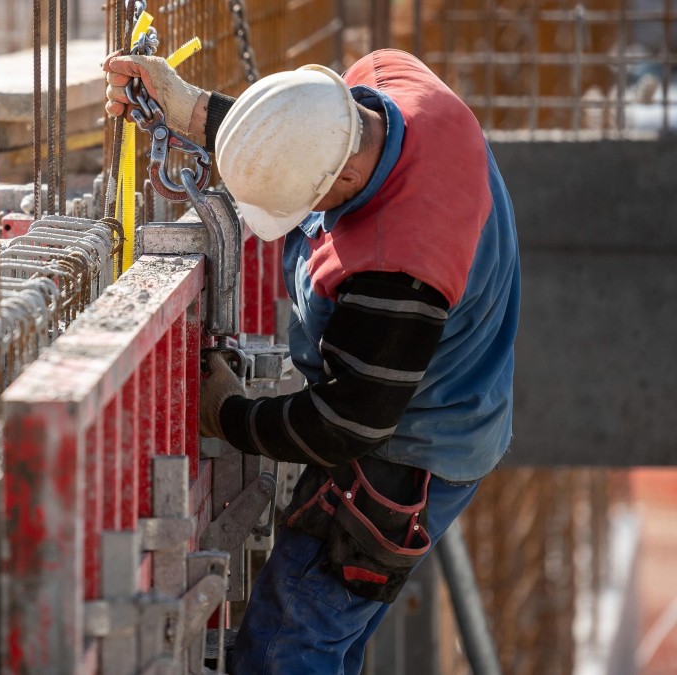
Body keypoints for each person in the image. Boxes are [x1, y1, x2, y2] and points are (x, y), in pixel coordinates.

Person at [104, 49, 520, 674]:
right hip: (426, 403)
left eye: (308, 205)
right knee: (316, 640)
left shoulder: (399, 266)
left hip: (410, 454)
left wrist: (230, 413)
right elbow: (299, 130)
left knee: (289, 646)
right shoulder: (381, 83)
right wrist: (192, 110)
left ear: (345, 184)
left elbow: (348, 425)